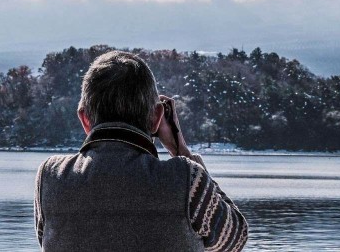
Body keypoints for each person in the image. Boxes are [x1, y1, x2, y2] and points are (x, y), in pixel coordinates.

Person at [33, 50, 248, 251]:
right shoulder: (186, 179)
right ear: (156, 118)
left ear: (84, 119)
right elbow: (234, 240)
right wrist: (180, 150)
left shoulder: (51, 176)